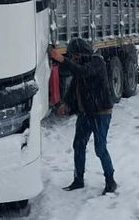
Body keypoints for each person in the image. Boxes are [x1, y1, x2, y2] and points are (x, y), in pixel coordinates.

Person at [49, 38, 118, 195]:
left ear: (82, 54)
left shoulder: (97, 62)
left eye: (74, 56)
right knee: (78, 145)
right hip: (85, 113)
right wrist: (65, 104)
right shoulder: (79, 67)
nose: (73, 59)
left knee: (100, 148)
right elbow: (74, 88)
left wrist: (62, 59)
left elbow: (83, 71)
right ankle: (78, 179)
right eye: (71, 56)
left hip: (101, 113)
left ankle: (110, 181)